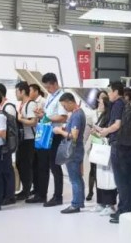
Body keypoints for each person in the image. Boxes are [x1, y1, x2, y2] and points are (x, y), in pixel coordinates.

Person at [96, 83, 131, 223]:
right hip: (127, 145)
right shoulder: (127, 103)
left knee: (121, 180)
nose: (108, 94)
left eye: (110, 91)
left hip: (118, 145)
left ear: (115, 92)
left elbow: (117, 124)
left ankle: (123, 210)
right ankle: (129, 206)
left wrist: (105, 131)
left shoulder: (117, 104)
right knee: (128, 178)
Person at [34, 73, 68, 208]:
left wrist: (48, 117)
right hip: (47, 132)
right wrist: (43, 114)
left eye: (48, 87)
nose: (47, 90)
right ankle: (42, 194)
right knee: (45, 164)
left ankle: (58, 196)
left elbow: (63, 117)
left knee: (55, 165)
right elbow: (49, 114)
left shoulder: (61, 97)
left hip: (56, 134)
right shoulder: (50, 96)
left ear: (55, 84)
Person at [54, 93, 86, 214]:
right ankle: (79, 201)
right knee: (77, 177)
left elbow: (74, 136)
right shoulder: (78, 113)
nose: (64, 108)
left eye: (64, 105)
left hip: (73, 151)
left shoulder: (77, 115)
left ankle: (76, 204)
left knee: (74, 179)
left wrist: (59, 131)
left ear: (70, 102)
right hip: (76, 150)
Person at [90, 91, 117, 215]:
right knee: (99, 178)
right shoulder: (102, 116)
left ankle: (110, 204)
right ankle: (100, 202)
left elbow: (108, 133)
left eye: (101, 103)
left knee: (108, 179)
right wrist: (96, 132)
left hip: (107, 150)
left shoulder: (111, 118)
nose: (99, 104)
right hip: (99, 149)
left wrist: (100, 132)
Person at [15, 81, 36, 200]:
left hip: (30, 139)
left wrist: (20, 119)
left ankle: (27, 190)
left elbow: (33, 122)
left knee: (26, 165)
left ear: (22, 91)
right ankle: (25, 189)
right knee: (20, 164)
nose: (16, 94)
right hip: (23, 139)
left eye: (17, 91)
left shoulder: (31, 104)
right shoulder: (22, 104)